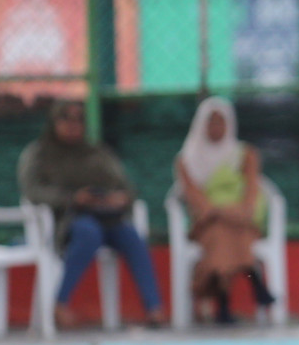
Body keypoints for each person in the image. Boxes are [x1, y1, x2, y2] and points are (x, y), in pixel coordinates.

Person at [18, 100, 165, 329]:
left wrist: (119, 198)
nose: (73, 125)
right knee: (89, 232)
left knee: (131, 235)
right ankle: (60, 303)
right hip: (64, 221)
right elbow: (33, 191)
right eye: (65, 118)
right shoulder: (39, 154)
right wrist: (72, 198)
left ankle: (153, 308)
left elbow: (127, 187)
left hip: (108, 217)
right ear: (53, 122)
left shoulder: (97, 153)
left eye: (78, 120)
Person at [175, 97, 275, 324]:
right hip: (207, 223)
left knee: (228, 233)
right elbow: (196, 199)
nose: (216, 128)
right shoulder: (186, 160)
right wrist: (222, 212)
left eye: (222, 122)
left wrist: (234, 212)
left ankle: (223, 305)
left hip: (241, 219)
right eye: (211, 122)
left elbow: (251, 194)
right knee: (222, 233)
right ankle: (254, 280)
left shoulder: (245, 154)